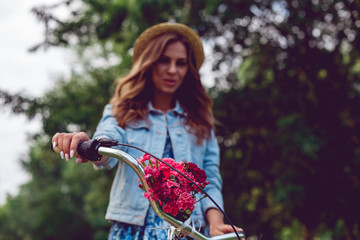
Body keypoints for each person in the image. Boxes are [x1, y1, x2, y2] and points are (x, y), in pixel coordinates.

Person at [52, 22, 243, 239]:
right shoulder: (122, 110)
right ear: (150, 63)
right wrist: (90, 146)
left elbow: (210, 177)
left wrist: (216, 223)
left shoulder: (200, 122)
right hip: (132, 229)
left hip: (187, 231)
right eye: (164, 60)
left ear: (187, 71)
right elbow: (108, 140)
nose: (172, 69)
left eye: (180, 63)